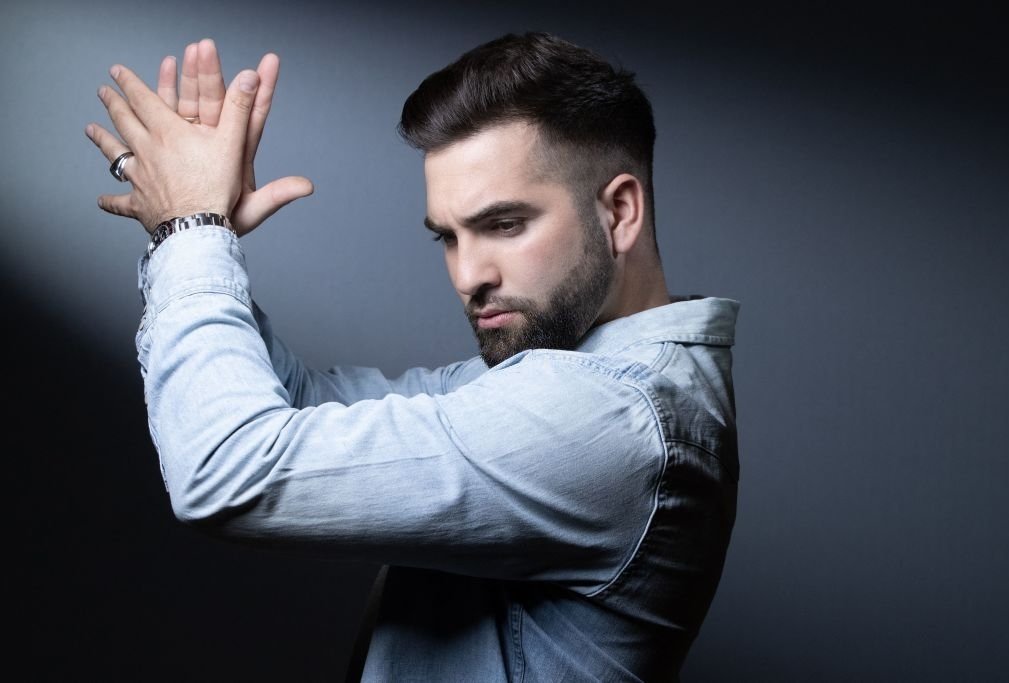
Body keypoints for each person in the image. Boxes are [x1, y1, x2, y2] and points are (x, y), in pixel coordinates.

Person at [86, 32, 740, 682]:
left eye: (504, 224)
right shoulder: (568, 370)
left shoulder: (606, 420)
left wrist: (191, 229)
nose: (468, 275)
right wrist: (201, 231)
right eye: (448, 237)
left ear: (620, 211)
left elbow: (225, 466)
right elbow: (296, 408)